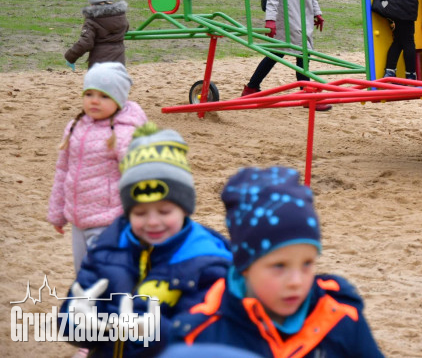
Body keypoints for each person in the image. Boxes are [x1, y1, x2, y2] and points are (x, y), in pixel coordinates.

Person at [176, 166, 385, 357]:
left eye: (307, 264)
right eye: (279, 266)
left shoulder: (341, 318)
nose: (296, 281)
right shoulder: (201, 332)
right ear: (245, 266)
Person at [62, 123, 231, 357]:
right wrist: (77, 321)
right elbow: (71, 324)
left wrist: (158, 333)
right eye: (140, 213)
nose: (152, 222)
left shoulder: (208, 262)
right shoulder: (108, 248)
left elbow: (211, 340)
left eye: (164, 212)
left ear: (185, 208)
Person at [47, 62, 147, 272]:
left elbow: (137, 178)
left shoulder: (123, 134)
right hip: (78, 218)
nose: (94, 100)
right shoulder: (76, 126)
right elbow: (63, 171)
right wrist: (58, 213)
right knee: (83, 273)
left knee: (104, 275)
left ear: (119, 100)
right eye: (89, 93)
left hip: (110, 220)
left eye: (104, 96)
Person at [64, 0, 129, 70]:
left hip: (99, 66)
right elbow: (126, 28)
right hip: (119, 65)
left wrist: (70, 57)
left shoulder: (93, 20)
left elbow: (86, 42)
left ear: (93, 3)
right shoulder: (121, 17)